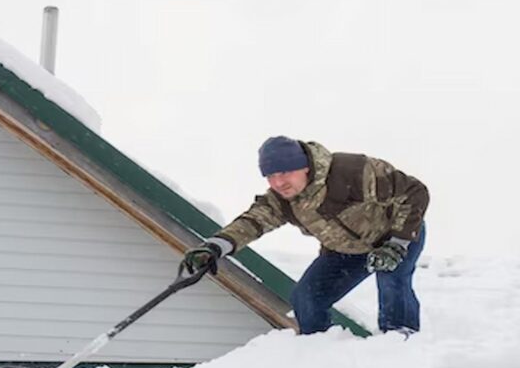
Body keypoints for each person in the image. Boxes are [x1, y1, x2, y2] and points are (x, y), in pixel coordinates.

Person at [182, 136, 429, 335]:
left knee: (392, 279)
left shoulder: (353, 172)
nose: (278, 183)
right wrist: (214, 248)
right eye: (271, 176)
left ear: (305, 167)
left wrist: (397, 244)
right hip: (346, 252)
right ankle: (319, 351)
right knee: (307, 297)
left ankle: (400, 344)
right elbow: (252, 222)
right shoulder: (282, 201)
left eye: (285, 172)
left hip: (398, 234)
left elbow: (415, 192)